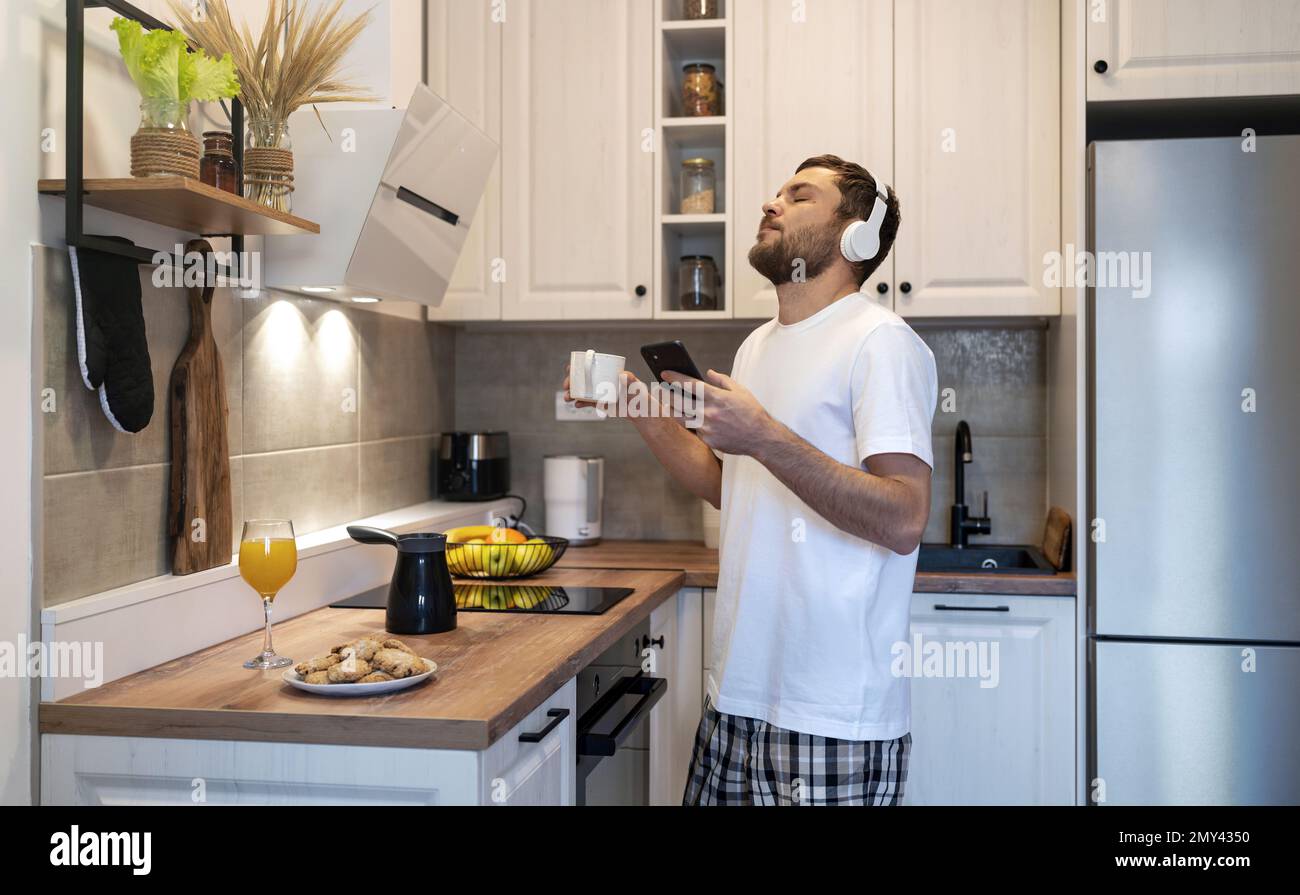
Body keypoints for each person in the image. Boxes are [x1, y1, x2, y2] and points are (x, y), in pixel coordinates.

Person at [564, 155, 937, 805]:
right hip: (734, 698)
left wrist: (764, 434)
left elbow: (904, 518)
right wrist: (638, 405)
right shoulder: (757, 347)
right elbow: (729, 488)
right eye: (776, 192)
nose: (772, 203)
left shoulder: (880, 342)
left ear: (858, 236)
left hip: (829, 718)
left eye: (799, 196)